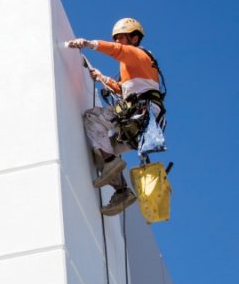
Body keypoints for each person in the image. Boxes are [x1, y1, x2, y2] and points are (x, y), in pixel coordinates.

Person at [67, 17, 167, 216]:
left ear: (135, 38)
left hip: (138, 115)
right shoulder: (137, 70)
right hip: (140, 129)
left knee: (92, 118)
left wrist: (88, 44)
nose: (119, 42)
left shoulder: (139, 55)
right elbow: (123, 90)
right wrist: (102, 78)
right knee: (101, 151)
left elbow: (118, 51)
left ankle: (112, 163)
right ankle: (121, 190)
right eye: (117, 38)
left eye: (122, 37)